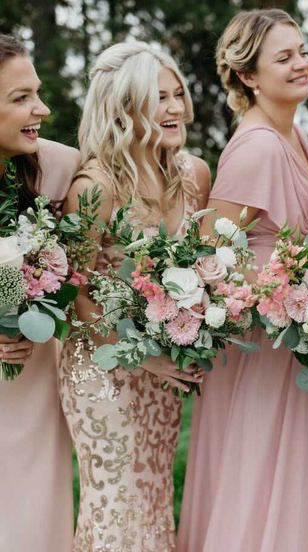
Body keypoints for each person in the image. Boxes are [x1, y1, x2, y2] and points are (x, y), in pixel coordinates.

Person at [58, 42, 210, 550]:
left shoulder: (195, 175)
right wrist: (144, 360)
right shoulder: (93, 185)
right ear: (124, 108)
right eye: (157, 98)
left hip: (164, 371)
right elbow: (74, 290)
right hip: (101, 370)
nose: (175, 108)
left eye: (176, 95)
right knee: (115, 502)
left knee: (154, 498)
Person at [177, 10, 308, 551]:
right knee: (254, 471)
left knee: (282, 473)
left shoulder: (296, 135)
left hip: (291, 333)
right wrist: (272, 291)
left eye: (302, 51)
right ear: (249, 77)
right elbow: (211, 257)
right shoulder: (257, 146)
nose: (301, 63)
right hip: (258, 340)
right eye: (284, 57)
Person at [0, 33, 79, 552]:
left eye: (38, 92)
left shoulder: (58, 166)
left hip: (30, 374)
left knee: (33, 517)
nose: (42, 109)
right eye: (20, 97)